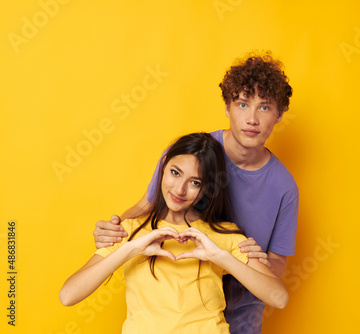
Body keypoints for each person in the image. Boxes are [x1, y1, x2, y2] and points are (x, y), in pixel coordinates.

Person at [93, 51, 298, 333]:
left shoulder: (285, 187)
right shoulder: (190, 155)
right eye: (242, 104)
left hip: (242, 311)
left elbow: (277, 262)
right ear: (227, 107)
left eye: (264, 108)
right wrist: (114, 233)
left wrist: (247, 262)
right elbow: (146, 207)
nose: (251, 118)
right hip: (179, 307)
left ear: (279, 114)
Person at [59, 133, 288, 333]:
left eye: (195, 182)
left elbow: (279, 297)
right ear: (163, 167)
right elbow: (68, 296)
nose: (180, 189)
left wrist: (220, 257)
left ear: (206, 188)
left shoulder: (224, 235)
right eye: (175, 173)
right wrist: (131, 248)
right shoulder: (131, 230)